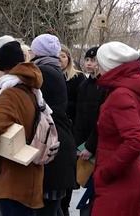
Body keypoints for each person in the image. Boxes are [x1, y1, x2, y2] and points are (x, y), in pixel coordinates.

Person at [0, 40, 45, 215]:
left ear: (2, 66)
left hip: (13, 178)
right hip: (30, 175)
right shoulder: (31, 87)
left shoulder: (10, 93)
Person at [93, 42, 140, 216]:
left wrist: (106, 172)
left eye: (99, 62)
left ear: (109, 65)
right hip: (125, 176)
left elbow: (137, 140)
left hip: (121, 181)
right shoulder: (126, 89)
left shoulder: (121, 94)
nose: (96, 65)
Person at [31, 34, 76, 216]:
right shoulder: (52, 68)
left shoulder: (44, 72)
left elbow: (20, 89)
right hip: (59, 145)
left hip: (54, 147)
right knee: (53, 208)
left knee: (48, 208)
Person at [72, 46, 106, 215]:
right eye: (87, 60)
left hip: (97, 146)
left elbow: (101, 121)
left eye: (94, 60)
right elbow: (80, 116)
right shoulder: (85, 84)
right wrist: (78, 143)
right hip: (83, 145)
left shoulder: (104, 86)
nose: (89, 64)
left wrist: (90, 146)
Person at [59, 45, 85, 215]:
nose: (59, 60)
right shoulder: (49, 75)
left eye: (63, 56)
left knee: (68, 172)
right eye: (57, 56)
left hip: (70, 129)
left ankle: (65, 205)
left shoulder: (78, 77)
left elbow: (82, 106)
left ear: (68, 58)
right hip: (55, 129)